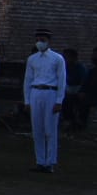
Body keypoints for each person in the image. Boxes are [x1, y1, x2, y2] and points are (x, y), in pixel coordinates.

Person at [24, 27, 67, 173]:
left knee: (50, 129)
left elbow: (62, 80)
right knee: (37, 130)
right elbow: (27, 80)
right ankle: (40, 161)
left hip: (51, 93)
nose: (39, 43)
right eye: (37, 40)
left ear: (49, 41)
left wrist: (59, 100)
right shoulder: (32, 59)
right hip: (36, 92)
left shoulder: (57, 58)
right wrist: (27, 100)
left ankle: (50, 162)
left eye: (42, 40)